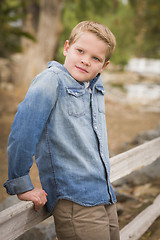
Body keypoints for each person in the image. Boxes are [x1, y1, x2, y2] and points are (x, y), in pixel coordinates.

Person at [4, 21, 120, 240]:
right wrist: (21, 184)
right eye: (80, 51)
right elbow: (23, 133)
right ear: (67, 48)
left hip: (104, 195)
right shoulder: (51, 81)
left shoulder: (93, 87)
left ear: (103, 66)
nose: (86, 60)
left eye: (96, 58)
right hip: (76, 201)